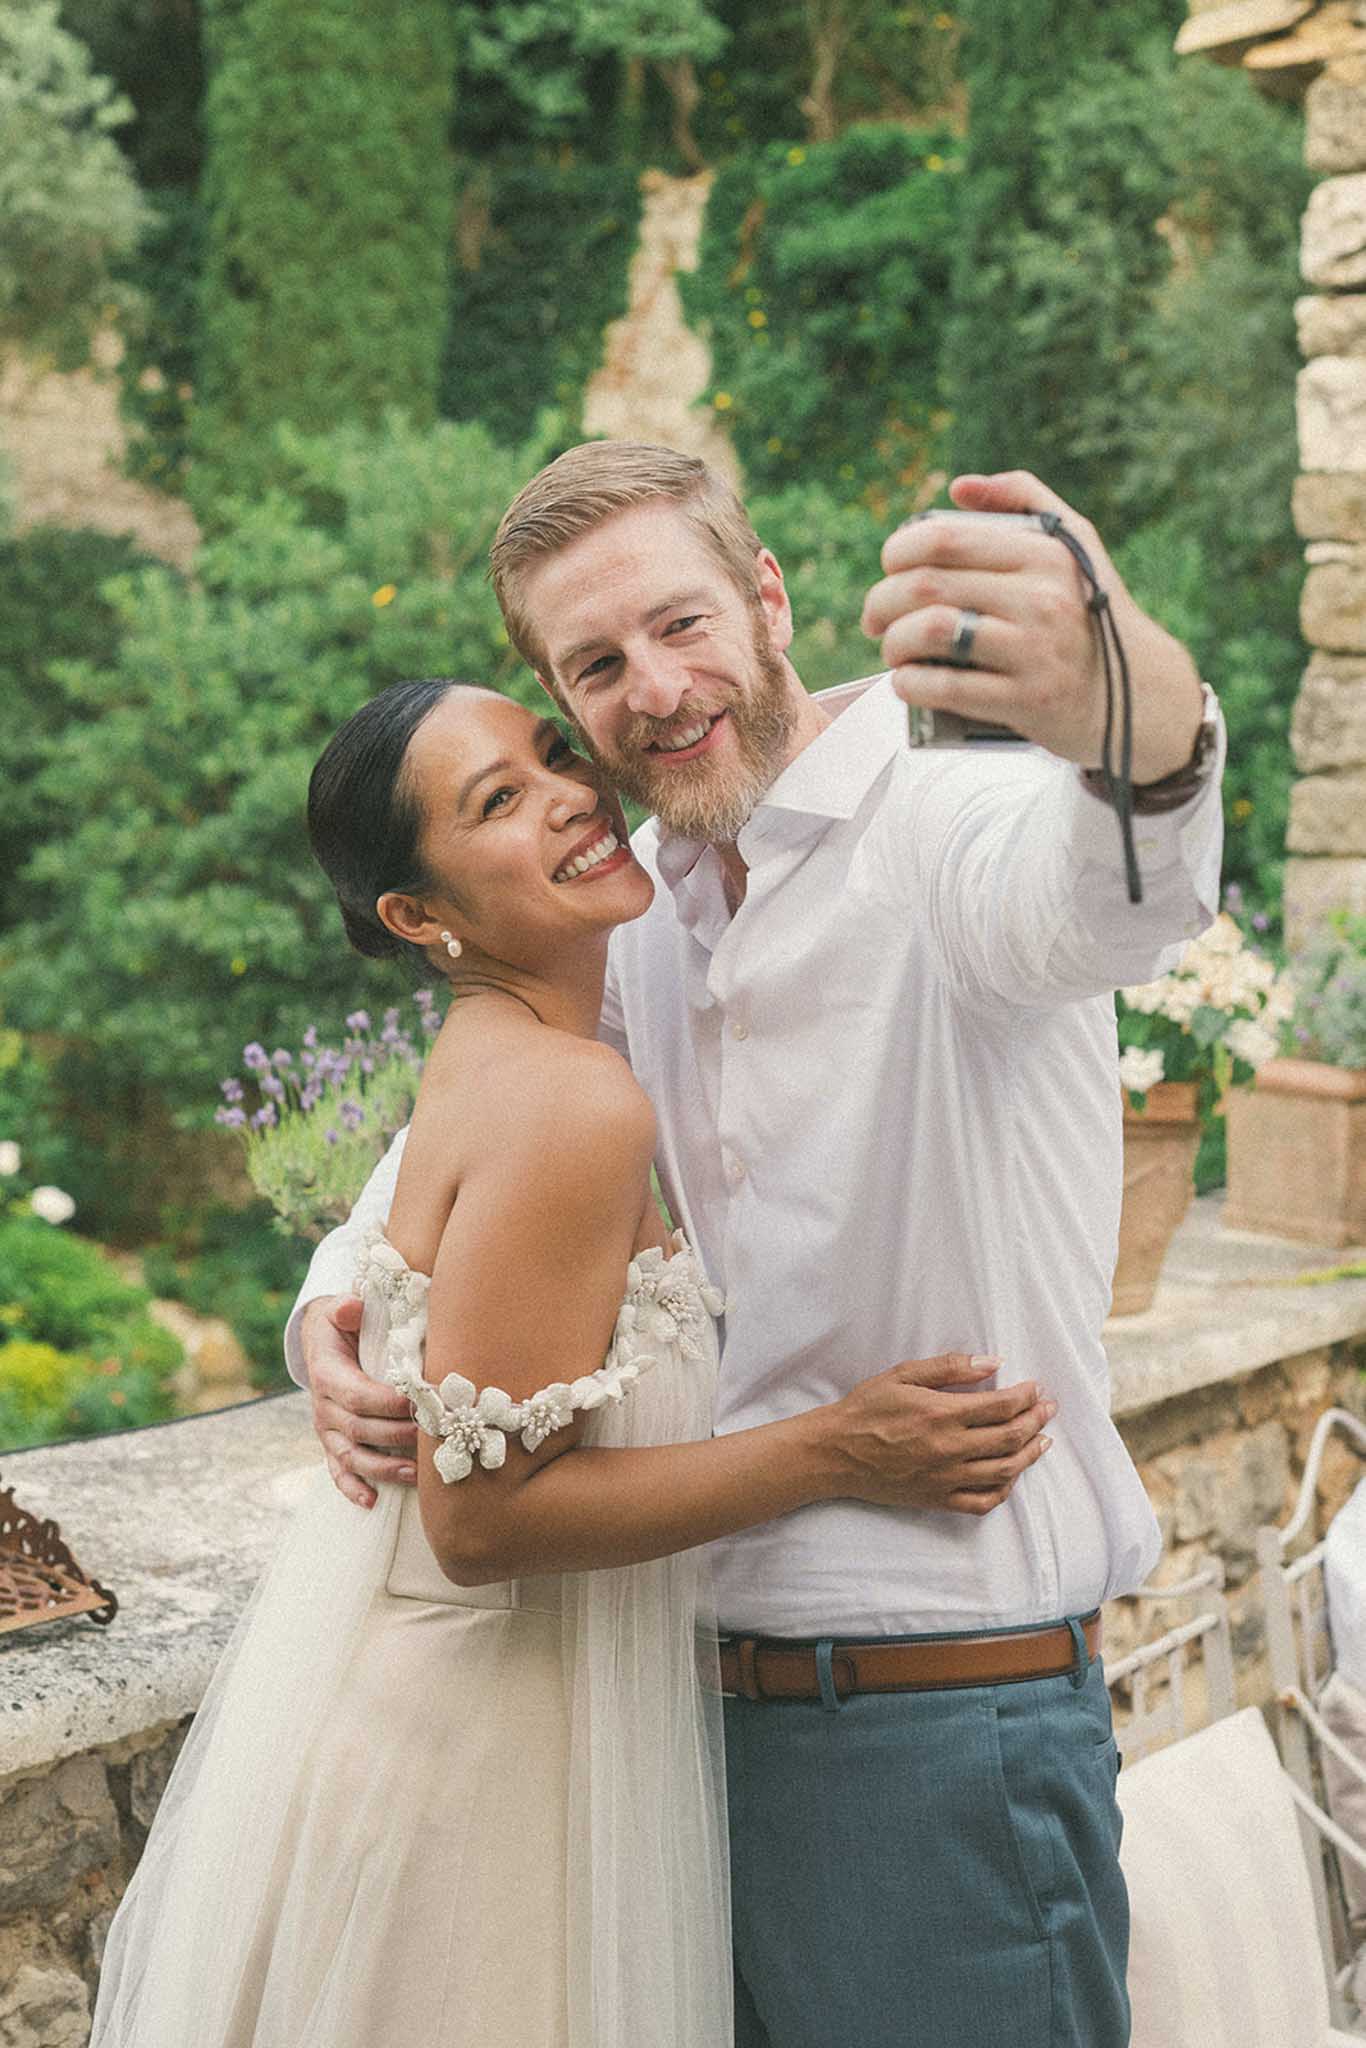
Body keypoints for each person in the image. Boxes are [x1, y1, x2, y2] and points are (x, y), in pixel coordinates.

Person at [292, 445, 1224, 2048]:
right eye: (596, 665)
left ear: (767, 599)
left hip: (938, 1732)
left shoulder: (951, 826)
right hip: (665, 1745)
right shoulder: (633, 908)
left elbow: (1119, 898)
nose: (653, 689)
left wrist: (1129, 707)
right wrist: (331, 1308)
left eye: (680, 624)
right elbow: (462, 1146)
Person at [91, 678, 1055, 2048]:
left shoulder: (508, 1045)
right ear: (417, 916)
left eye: (552, 756)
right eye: (498, 800)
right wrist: (839, 1448)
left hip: (472, 1717)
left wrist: (323, 1322)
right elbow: (479, 1522)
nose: (566, 795)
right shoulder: (569, 1101)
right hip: (480, 1759)